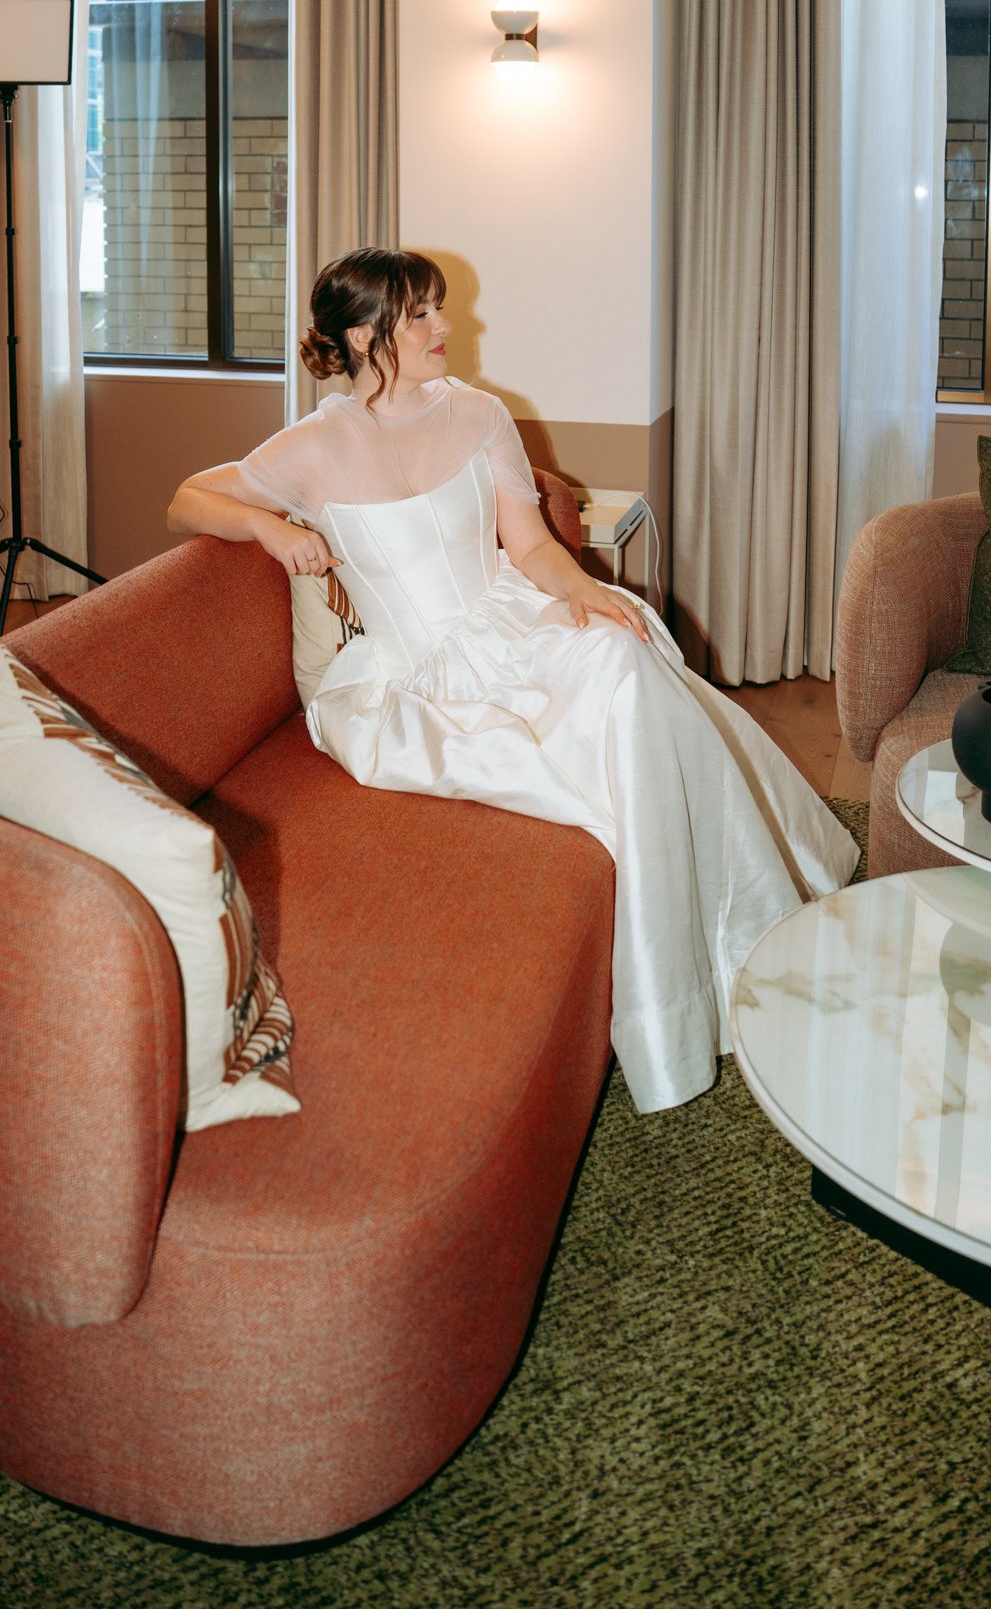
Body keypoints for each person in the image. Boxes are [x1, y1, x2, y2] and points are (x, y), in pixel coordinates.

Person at [168, 247, 859, 1114]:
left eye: (439, 308)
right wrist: (271, 530)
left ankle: (748, 941)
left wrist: (581, 592)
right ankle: (675, 1004)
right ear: (365, 335)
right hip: (414, 679)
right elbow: (187, 498)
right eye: (422, 314)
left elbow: (528, 544)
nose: (447, 326)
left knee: (624, 654)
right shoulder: (309, 447)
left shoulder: (480, 412)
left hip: (505, 621)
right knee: (614, 726)